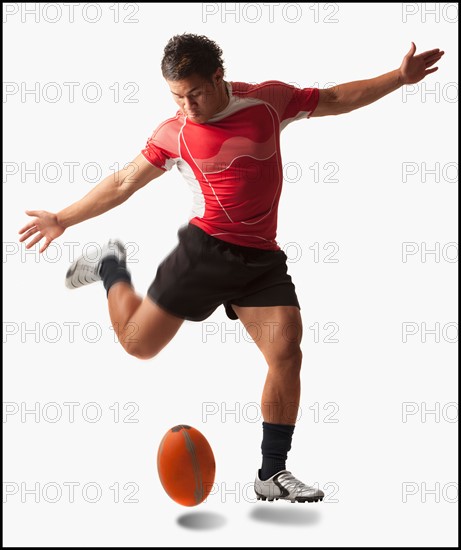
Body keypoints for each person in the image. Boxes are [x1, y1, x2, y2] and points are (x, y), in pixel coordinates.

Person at [19, 34, 444, 504]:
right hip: (205, 252)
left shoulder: (266, 101)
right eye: (177, 96)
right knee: (138, 345)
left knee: (287, 349)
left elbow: (335, 98)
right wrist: (60, 218)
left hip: (260, 256)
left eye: (195, 93)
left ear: (218, 77)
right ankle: (110, 265)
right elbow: (122, 182)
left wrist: (398, 79)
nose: (187, 106)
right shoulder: (173, 132)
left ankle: (272, 473)